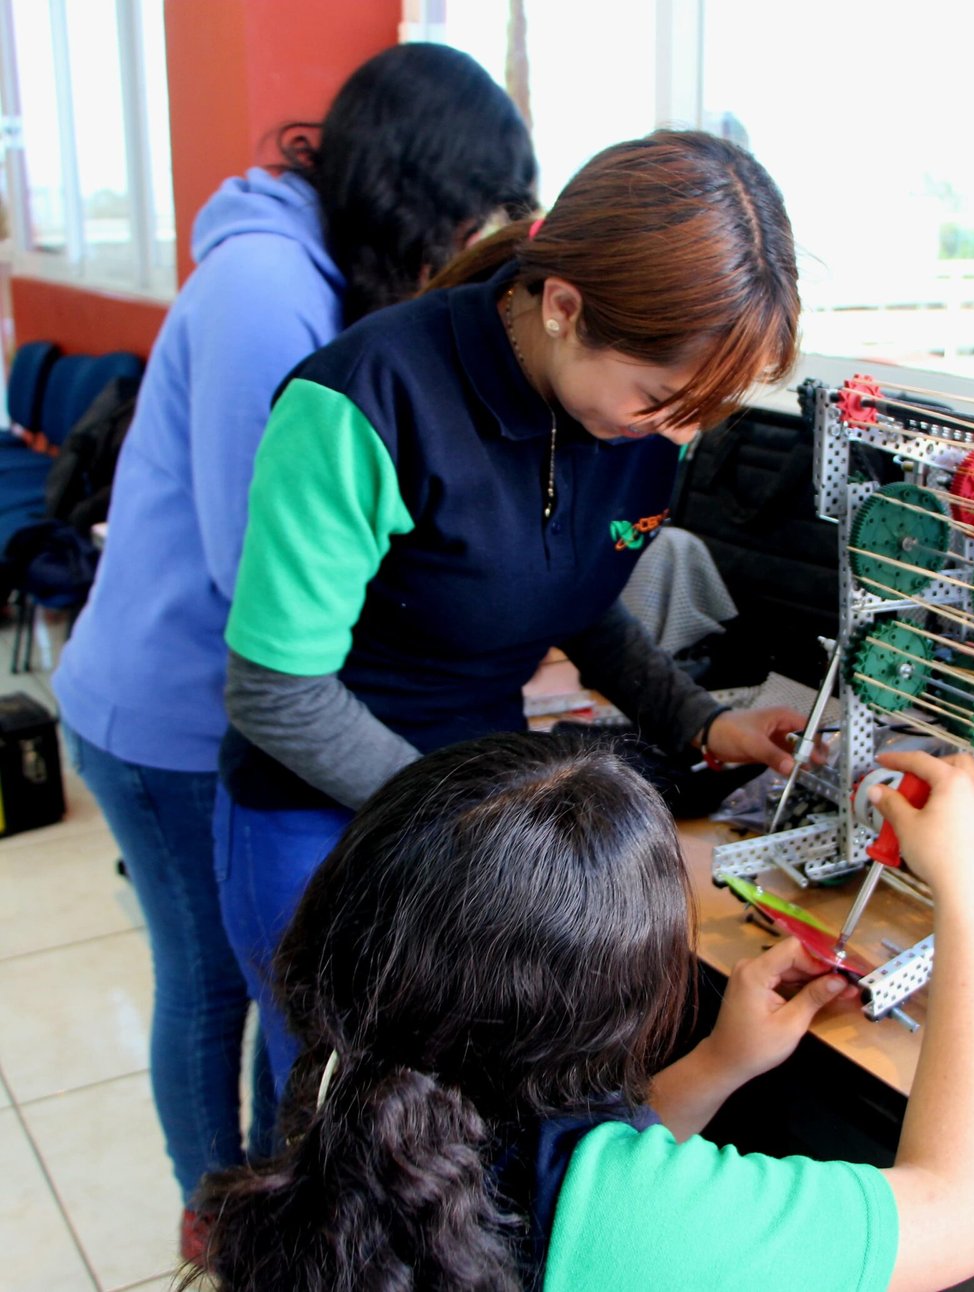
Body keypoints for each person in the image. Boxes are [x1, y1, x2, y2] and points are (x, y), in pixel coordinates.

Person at [50, 42, 536, 1255]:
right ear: (422, 193)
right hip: (167, 706)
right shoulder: (269, 287)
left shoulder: (325, 276)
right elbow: (246, 565)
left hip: (211, 696)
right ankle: (227, 1226)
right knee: (213, 983)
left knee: (256, 991)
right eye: (480, 216)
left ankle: (257, 1217)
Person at [215, 129, 821, 1094]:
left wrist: (703, 721)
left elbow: (574, 596)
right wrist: (468, 826)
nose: (683, 435)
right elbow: (277, 691)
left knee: (441, 1112)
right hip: (319, 814)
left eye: (708, 411)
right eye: (665, 400)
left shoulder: (632, 420)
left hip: (473, 811)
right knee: (327, 1116)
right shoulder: (364, 403)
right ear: (563, 307)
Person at [189, 734, 974, 1291]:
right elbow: (966, 1211)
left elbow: (565, 1173)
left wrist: (722, 1063)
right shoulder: (631, 1220)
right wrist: (968, 888)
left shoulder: (354, 1077)